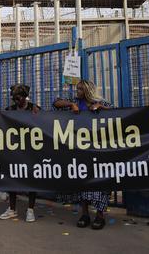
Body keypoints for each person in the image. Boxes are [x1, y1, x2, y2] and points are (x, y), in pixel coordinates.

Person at [53, 79, 113, 230]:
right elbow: (56, 103)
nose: (77, 92)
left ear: (87, 91)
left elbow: (116, 114)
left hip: (99, 152)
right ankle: (85, 214)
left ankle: (100, 216)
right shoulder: (74, 102)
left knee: (101, 184)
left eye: (80, 89)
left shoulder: (100, 102)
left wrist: (101, 107)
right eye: (77, 89)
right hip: (80, 152)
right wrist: (70, 105)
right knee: (82, 184)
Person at [0, 84, 40, 223]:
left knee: (32, 180)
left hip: (31, 150)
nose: (16, 101)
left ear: (25, 96)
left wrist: (38, 114)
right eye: (14, 99)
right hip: (15, 150)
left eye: (19, 98)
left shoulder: (34, 109)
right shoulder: (10, 110)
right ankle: (12, 209)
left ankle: (30, 210)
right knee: (13, 178)